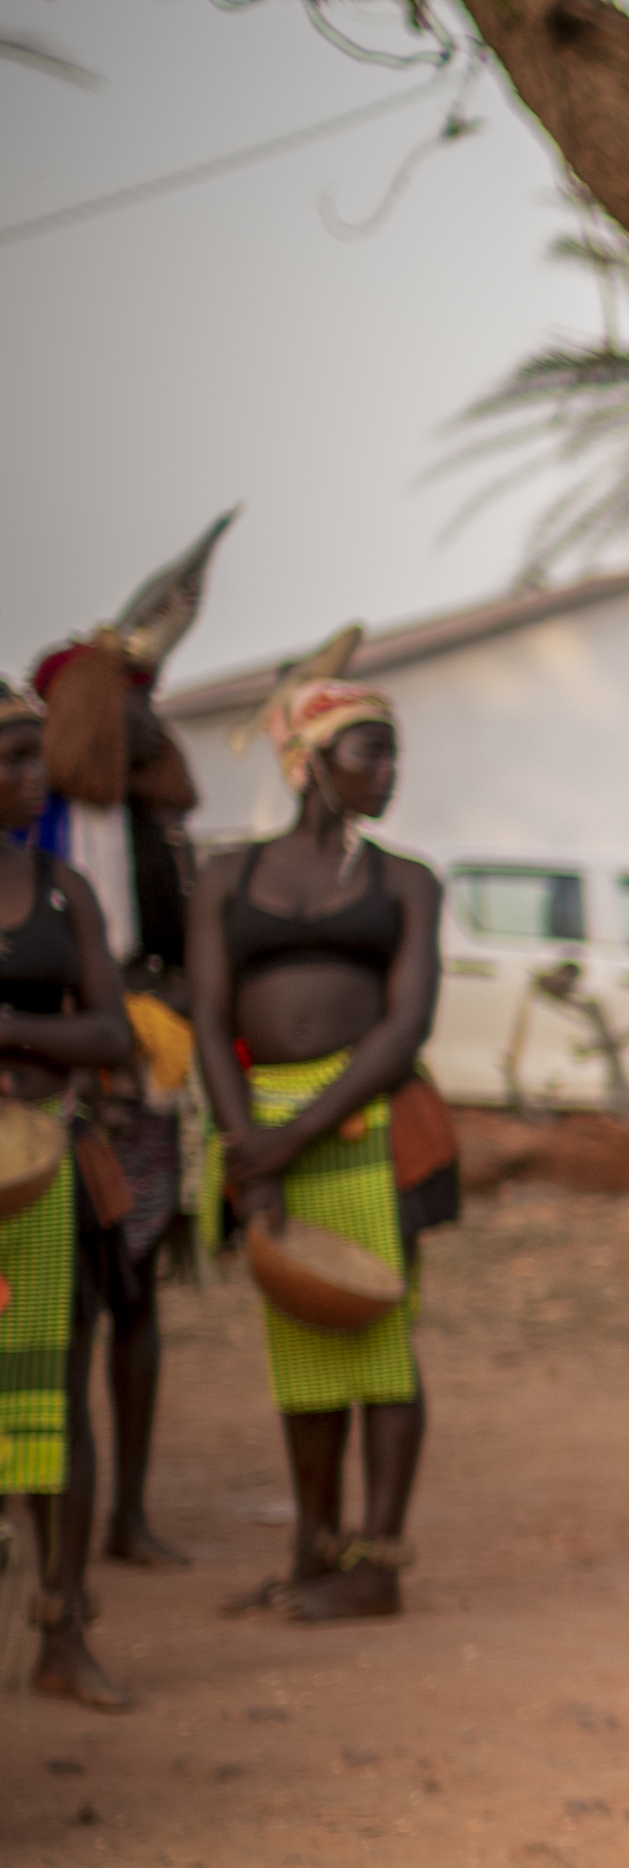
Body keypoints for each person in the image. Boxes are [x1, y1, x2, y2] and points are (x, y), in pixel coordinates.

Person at [186, 677, 449, 1623]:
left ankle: (377, 1561)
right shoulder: (226, 877)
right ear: (309, 763)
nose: (388, 770)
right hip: (257, 1127)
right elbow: (209, 1022)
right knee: (299, 1337)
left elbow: (406, 1023)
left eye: (393, 752)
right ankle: (313, 1547)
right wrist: (246, 1144)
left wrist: (293, 1135)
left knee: (380, 1334)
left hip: (369, 1127)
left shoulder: (407, 880)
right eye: (368, 751)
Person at [31, 520, 226, 1571]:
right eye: (135, 699)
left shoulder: (159, 833)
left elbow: (191, 947)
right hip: (56, 1085)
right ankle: (48, 1521)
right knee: (53, 1312)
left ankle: (129, 1513)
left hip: (145, 1076)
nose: (156, 720)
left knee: (138, 1290)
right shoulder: (33, 840)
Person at [0, 679, 138, 1706]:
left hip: (45, 1168)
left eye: (31, 756)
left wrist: (11, 1036)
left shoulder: (62, 890)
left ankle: (61, 1629)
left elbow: (112, 1033)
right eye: (9, 758)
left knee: (57, 1399)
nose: (29, 777)